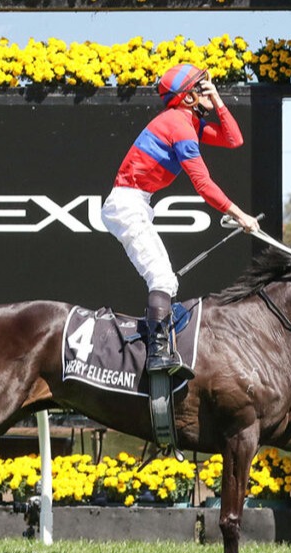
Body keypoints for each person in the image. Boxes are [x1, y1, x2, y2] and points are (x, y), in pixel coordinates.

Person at [101, 63, 259, 378]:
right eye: (202, 87)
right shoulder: (180, 127)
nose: (208, 89)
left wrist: (219, 102)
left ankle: (163, 346)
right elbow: (204, 185)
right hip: (127, 203)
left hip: (136, 202)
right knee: (161, 279)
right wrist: (240, 215)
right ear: (187, 98)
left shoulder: (186, 121)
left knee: (168, 281)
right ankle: (157, 358)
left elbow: (233, 140)